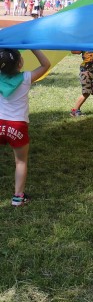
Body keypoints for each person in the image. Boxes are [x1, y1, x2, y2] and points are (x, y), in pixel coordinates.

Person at [0, 49, 50, 205]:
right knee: (20, 162)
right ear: (20, 63)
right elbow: (45, 64)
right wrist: (33, 47)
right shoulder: (26, 78)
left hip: (0, 123)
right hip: (17, 126)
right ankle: (18, 197)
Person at [70, 51, 93, 117]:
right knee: (86, 92)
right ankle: (75, 111)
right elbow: (74, 51)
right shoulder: (86, 43)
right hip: (85, 72)